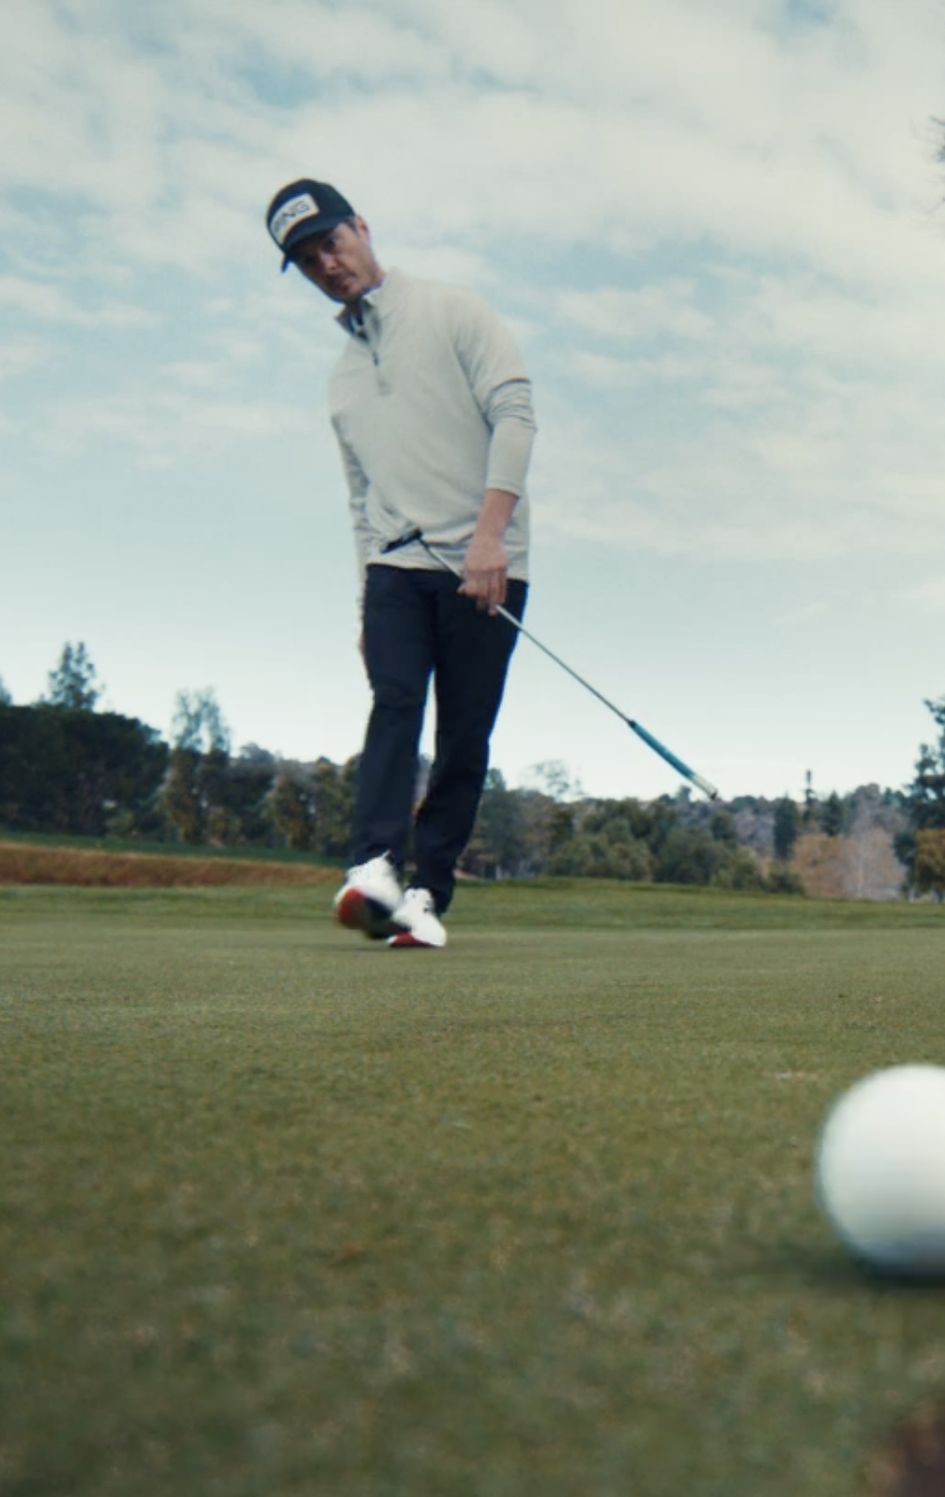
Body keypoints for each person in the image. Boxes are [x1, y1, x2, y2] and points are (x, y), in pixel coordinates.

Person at [266, 179, 535, 951]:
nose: (326, 262)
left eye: (330, 241)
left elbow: (516, 414)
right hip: (394, 568)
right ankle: (373, 868)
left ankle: (425, 897)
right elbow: (360, 501)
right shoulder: (341, 384)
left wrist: (491, 538)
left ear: (361, 228)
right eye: (307, 258)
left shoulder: (454, 311)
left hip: (486, 562)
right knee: (394, 704)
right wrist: (363, 604)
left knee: (463, 741)